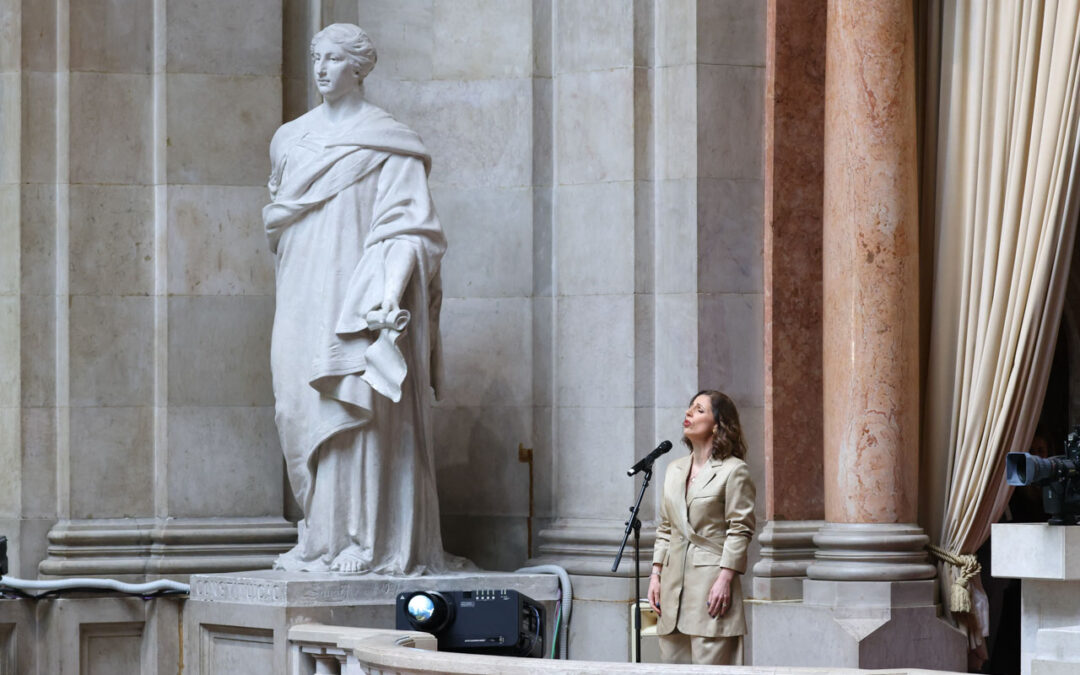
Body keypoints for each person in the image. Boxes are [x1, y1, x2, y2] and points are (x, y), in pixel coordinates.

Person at [264, 23, 463, 575]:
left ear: (359, 67)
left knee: (357, 408)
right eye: (315, 57)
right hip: (301, 291)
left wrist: (387, 291)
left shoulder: (389, 143)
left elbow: (413, 230)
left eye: (332, 59)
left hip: (357, 296)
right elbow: (280, 221)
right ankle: (317, 532)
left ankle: (360, 539)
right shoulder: (289, 139)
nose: (320, 68)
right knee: (293, 406)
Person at [647, 390, 756, 664]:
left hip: (710, 585)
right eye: (689, 408)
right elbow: (666, 528)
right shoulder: (674, 469)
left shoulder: (734, 470)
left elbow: (740, 529)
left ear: (718, 424)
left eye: (699, 410)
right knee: (671, 667)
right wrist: (656, 575)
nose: (688, 413)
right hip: (671, 587)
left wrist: (725, 579)